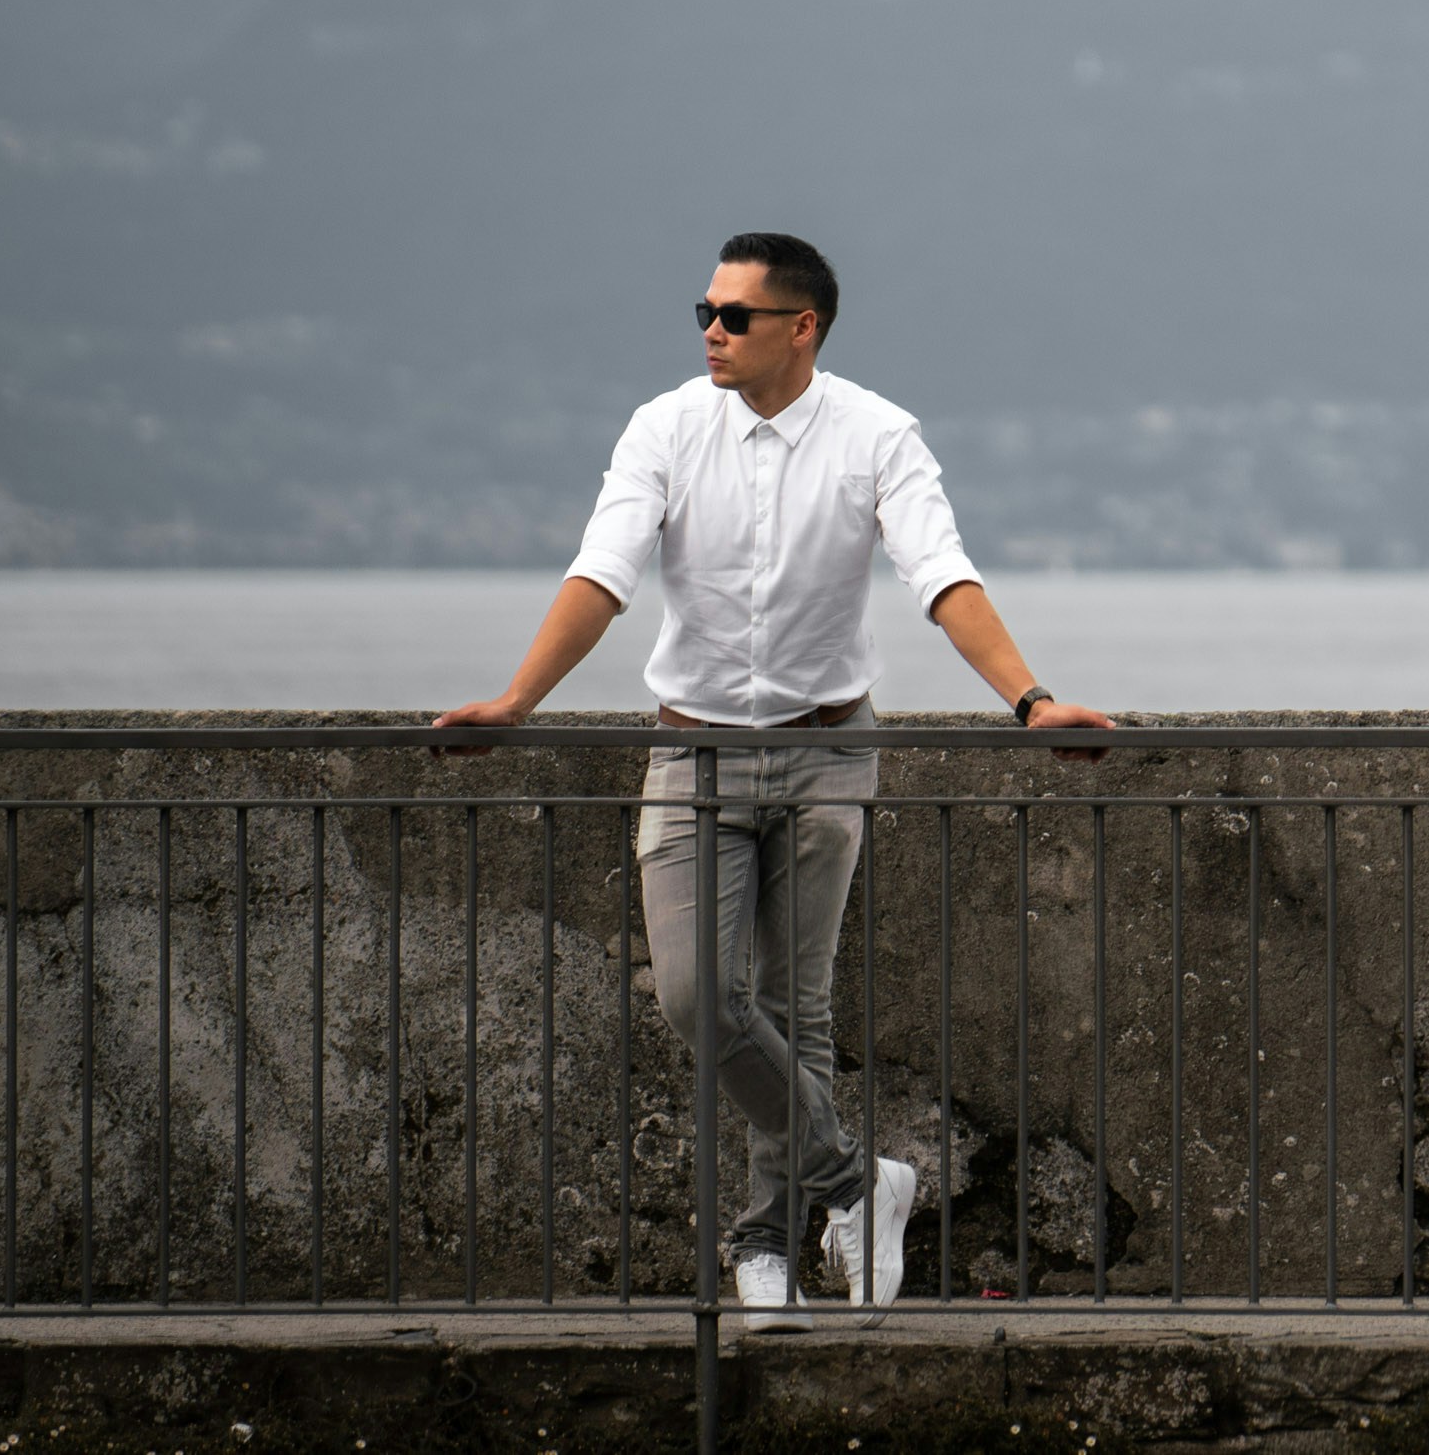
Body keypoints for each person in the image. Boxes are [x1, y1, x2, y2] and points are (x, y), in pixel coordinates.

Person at [434, 231, 1108, 1316]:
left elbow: (941, 571)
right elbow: (602, 570)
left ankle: (761, 1247)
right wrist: (516, 704)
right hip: (693, 748)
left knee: (796, 1010)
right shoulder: (664, 426)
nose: (710, 328)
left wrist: (1031, 701)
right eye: (703, 309)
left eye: (735, 315)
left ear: (803, 327)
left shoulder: (878, 433)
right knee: (703, 997)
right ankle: (858, 1182)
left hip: (830, 745)